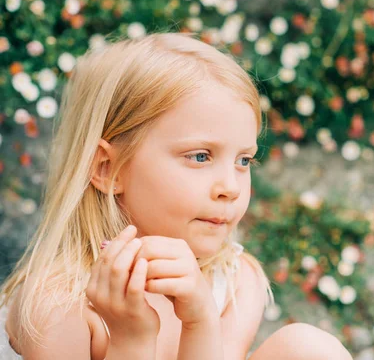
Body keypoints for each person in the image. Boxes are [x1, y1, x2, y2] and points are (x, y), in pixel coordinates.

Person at [0, 33, 353, 360]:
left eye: (243, 160)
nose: (230, 186)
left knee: (310, 349)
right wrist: (131, 340)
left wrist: (201, 322)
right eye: (200, 156)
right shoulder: (59, 305)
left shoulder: (234, 283)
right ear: (109, 170)